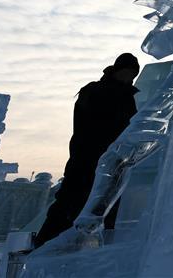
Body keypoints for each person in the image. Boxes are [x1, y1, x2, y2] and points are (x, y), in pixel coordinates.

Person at [33, 53, 140, 248]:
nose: (128, 78)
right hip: (85, 157)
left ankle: (98, 247)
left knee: (107, 206)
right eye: (126, 72)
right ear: (117, 70)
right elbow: (85, 124)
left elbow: (131, 128)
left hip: (115, 162)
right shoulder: (94, 90)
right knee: (70, 201)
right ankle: (44, 244)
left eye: (132, 75)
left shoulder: (128, 97)